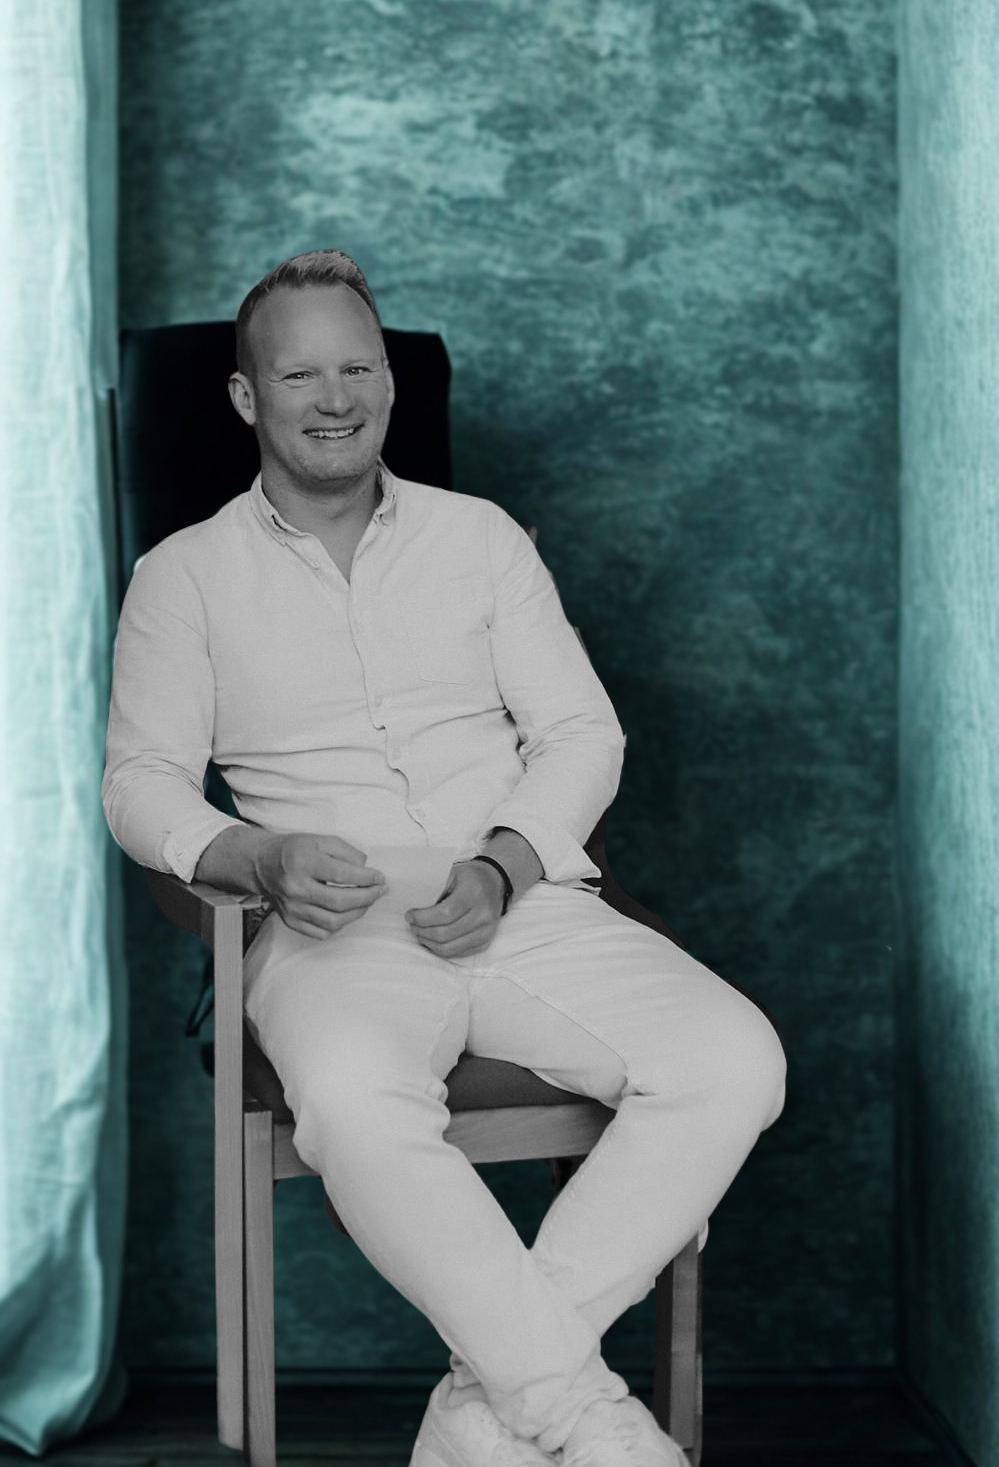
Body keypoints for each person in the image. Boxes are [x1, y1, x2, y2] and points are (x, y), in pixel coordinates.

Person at [103, 249, 785, 1467]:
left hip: (522, 902)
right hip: (329, 932)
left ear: (389, 383)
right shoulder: (182, 578)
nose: (335, 397)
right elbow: (138, 782)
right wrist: (256, 855)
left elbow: (582, 733)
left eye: (358, 367)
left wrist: (509, 863)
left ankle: (487, 1409)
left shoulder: (484, 541)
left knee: (736, 1059)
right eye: (300, 374)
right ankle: (577, 1417)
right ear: (247, 398)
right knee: (357, 1107)